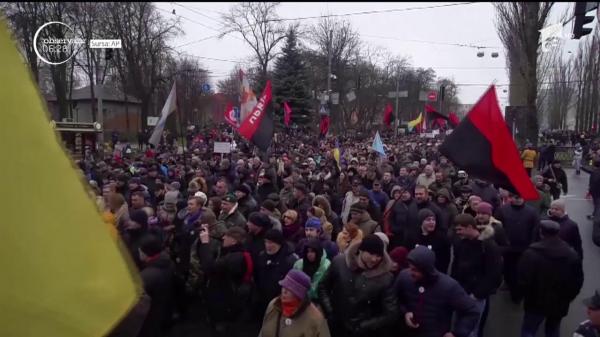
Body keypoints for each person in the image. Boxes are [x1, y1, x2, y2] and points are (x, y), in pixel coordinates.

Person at [318, 235, 396, 337]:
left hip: (363, 333)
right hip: (337, 327)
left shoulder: (385, 278)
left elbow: (391, 313)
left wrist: (365, 326)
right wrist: (330, 312)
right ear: (361, 251)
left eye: (378, 255)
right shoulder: (340, 262)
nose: (374, 259)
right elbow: (323, 287)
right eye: (371, 254)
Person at [393, 245, 480, 337]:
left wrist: (456, 333)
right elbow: (395, 300)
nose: (410, 273)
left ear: (426, 270)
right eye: (410, 268)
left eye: (415, 270)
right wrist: (405, 312)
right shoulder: (404, 277)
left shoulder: (449, 287)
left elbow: (471, 311)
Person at [518, 220, 583, 337]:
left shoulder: (531, 253)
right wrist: (569, 297)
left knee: (529, 330)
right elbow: (578, 280)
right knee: (553, 330)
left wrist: (524, 295)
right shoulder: (571, 254)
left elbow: (523, 279)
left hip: (535, 302)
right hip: (560, 302)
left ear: (541, 232)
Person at [451, 214, 503, 337]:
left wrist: (478, 294)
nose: (457, 233)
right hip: (461, 291)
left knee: (472, 328)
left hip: (476, 295)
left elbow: (494, 273)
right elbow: (455, 265)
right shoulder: (461, 242)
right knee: (459, 323)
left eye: (460, 229)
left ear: (469, 227)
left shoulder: (488, 246)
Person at [197, 226, 254, 337]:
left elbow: (209, 268)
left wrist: (205, 243)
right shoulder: (237, 253)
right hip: (227, 299)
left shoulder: (234, 258)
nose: (223, 238)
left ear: (233, 241)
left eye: (226, 236)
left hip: (225, 303)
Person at [494, 192, 540, 302]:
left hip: (525, 248)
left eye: (520, 197)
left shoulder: (532, 212)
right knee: (508, 270)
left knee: (521, 271)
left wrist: (533, 246)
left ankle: (518, 293)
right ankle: (509, 285)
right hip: (507, 248)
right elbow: (497, 228)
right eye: (516, 197)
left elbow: (535, 230)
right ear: (511, 198)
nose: (519, 199)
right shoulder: (503, 210)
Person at [259, 269, 331, 337]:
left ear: (299, 293)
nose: (284, 291)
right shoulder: (273, 305)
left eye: (289, 289)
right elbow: (262, 332)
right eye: (284, 286)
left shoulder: (315, 319)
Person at [253, 229, 298, 320]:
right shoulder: (262, 256)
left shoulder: (289, 260)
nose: (268, 246)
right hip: (262, 300)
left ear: (279, 244)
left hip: (279, 303)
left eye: (271, 243)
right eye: (266, 242)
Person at [137, 234, 176, 337]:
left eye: (140, 250)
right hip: (164, 312)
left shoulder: (147, 276)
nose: (138, 253)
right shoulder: (167, 262)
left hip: (151, 319)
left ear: (146, 253)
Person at [404, 208, 451, 273]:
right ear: (421, 222)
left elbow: (445, 260)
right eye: (428, 220)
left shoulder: (441, 238)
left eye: (433, 220)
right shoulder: (412, 237)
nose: (432, 222)